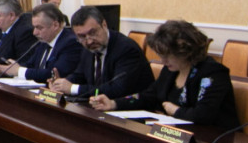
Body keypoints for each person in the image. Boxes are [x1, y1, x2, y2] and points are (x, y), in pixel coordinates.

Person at [89, 19, 238, 129]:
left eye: (167, 55)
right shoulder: (171, 70)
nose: (163, 61)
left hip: (215, 142)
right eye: (161, 55)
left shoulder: (213, 73)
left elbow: (203, 115)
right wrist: (114, 103)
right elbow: (149, 96)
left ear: (185, 51)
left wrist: (175, 110)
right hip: (178, 136)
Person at [50, 5, 155, 100]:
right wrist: (62, 84)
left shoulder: (126, 49)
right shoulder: (89, 47)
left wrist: (73, 88)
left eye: (93, 33)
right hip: (99, 107)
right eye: (82, 36)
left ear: (104, 25)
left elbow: (117, 89)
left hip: (130, 108)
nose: (89, 41)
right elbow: (80, 75)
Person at [0, 2, 81, 82]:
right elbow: (30, 65)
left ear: (55, 25)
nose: (34, 33)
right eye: (34, 27)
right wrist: (6, 69)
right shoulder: (43, 42)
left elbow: (53, 73)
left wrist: (19, 71)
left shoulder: (71, 43)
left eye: (39, 28)